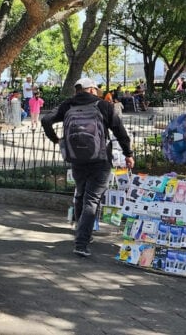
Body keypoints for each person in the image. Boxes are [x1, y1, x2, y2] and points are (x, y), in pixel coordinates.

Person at [41, 78, 134, 257]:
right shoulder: (104, 106)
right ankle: (81, 243)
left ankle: (81, 234)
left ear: (77, 90)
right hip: (100, 160)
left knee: (81, 195)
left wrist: (56, 139)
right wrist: (128, 154)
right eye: (96, 89)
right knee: (91, 200)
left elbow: (46, 120)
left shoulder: (67, 105)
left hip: (77, 159)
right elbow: (120, 131)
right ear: (91, 89)